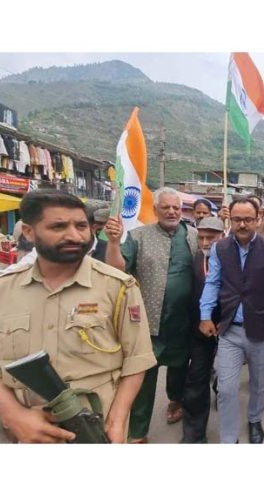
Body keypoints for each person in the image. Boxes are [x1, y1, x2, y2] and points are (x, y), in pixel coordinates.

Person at [0, 190, 155, 443]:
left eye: (81, 225)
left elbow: (137, 359)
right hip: (23, 436)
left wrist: (117, 421)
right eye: (58, 226)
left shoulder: (118, 287)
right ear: (28, 232)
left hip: (96, 431)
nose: (74, 235)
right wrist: (13, 415)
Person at [105, 186, 197, 443]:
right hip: (147, 321)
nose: (171, 212)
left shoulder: (193, 235)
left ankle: (175, 401)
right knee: (143, 378)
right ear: (155, 210)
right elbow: (117, 271)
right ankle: (138, 431)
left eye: (176, 208)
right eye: (166, 207)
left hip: (182, 321)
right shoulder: (138, 236)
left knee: (179, 368)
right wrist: (113, 242)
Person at [199, 197, 264, 444]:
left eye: (248, 219)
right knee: (227, 389)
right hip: (229, 330)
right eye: (237, 219)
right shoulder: (220, 249)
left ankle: (254, 419)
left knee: (258, 384)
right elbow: (213, 282)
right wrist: (205, 314)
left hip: (262, 329)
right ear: (230, 219)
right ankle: (229, 437)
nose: (242, 225)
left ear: (257, 218)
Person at [181, 216, 224, 443]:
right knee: (196, 381)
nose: (206, 243)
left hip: (228, 332)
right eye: (202, 237)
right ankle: (194, 437)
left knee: (225, 379)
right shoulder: (194, 259)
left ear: (223, 236)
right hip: (200, 332)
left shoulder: (234, 259)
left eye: (212, 237)